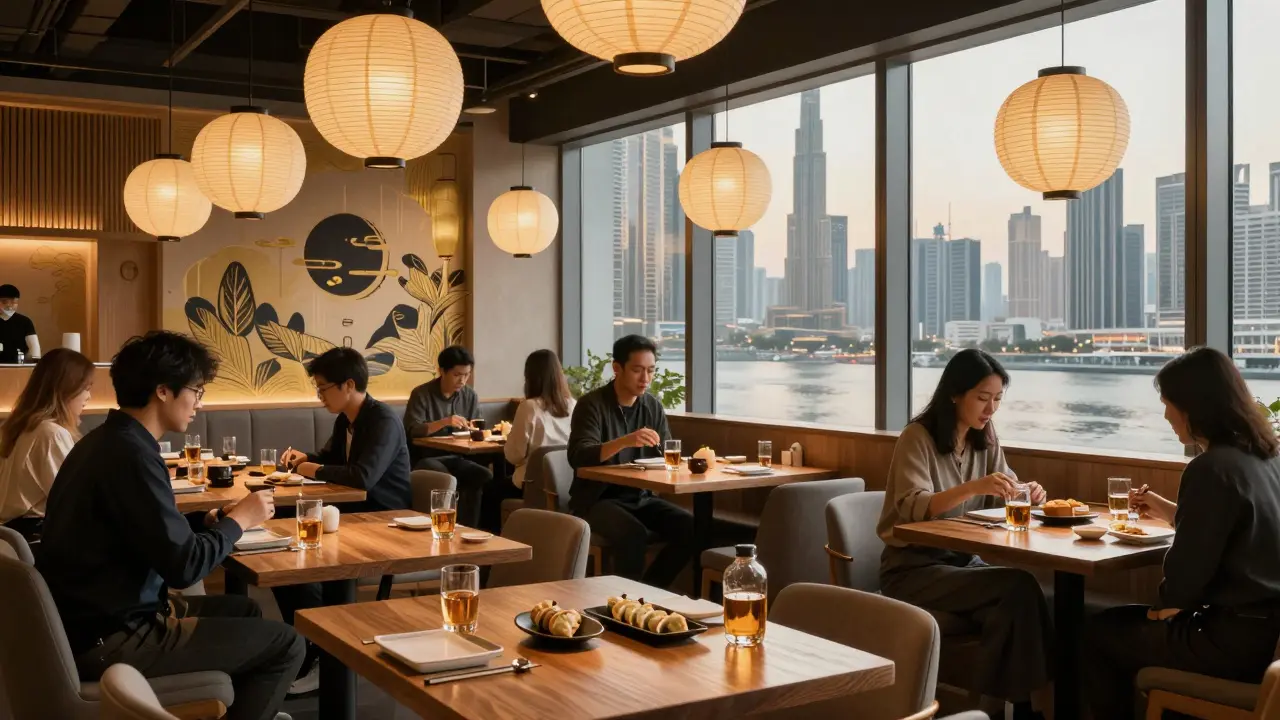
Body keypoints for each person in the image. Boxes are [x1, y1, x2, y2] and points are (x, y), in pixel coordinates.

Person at [36, 331, 302, 720]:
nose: (198, 403)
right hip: (112, 638)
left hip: (90, 618)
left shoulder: (106, 442)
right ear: (163, 390)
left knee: (243, 611)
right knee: (288, 644)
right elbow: (185, 566)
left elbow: (143, 531)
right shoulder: (131, 456)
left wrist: (209, 520)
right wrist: (242, 520)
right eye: (196, 390)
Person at [1086, 347, 1280, 719]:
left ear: (1193, 405)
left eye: (1168, 402)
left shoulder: (1210, 469)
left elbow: (1183, 582)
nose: (1165, 414)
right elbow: (1233, 533)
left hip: (1232, 643)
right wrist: (1164, 508)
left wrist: (1166, 609)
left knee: (1096, 633)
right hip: (1268, 637)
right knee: (1116, 621)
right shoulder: (1265, 459)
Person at [876, 348, 1051, 720]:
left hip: (959, 563)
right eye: (983, 398)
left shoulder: (984, 439)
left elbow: (1008, 487)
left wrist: (1029, 493)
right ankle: (1015, 708)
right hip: (911, 570)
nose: (991, 410)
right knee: (1017, 589)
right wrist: (974, 487)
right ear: (955, 393)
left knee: (1019, 599)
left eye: (998, 400)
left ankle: (994, 706)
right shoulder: (916, 437)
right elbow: (913, 506)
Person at [276, 347, 411, 695]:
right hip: (352, 513)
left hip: (383, 519)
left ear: (348, 385)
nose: (320, 396)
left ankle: (328, 650)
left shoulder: (383, 420)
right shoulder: (345, 420)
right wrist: (307, 458)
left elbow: (363, 477)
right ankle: (319, 644)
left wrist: (315, 469)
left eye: (323, 388)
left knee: (297, 556)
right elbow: (333, 458)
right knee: (281, 553)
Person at [567, 334, 694, 589]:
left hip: (641, 496)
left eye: (650, 371)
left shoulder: (652, 406)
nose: (645, 378)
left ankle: (649, 591)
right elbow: (579, 457)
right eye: (637, 370)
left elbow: (666, 452)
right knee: (632, 534)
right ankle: (623, 603)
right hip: (596, 499)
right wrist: (625, 441)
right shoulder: (591, 404)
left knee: (691, 528)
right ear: (617, 368)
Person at [0, 348, 94, 541]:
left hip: (12, 539)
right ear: (66, 389)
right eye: (86, 388)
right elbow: (75, 500)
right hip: (38, 540)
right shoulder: (51, 434)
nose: (88, 397)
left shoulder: (17, 427)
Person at [402, 346, 495, 529]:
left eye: (467, 375)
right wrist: (444, 422)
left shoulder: (469, 396)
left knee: (483, 475)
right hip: (426, 457)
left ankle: (472, 529)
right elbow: (413, 430)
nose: (462, 380)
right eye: (457, 374)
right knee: (446, 477)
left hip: (459, 456)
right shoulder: (421, 394)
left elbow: (476, 425)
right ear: (442, 371)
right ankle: (444, 528)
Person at [505, 349, 576, 490]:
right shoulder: (573, 405)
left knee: (489, 491)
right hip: (566, 483)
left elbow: (514, 455)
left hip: (533, 483)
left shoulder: (529, 407)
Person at [0, 284, 37, 364]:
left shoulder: (25, 321)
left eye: (13, 302)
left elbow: (34, 348)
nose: (9, 306)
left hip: (19, 366)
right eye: (4, 302)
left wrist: (33, 364)